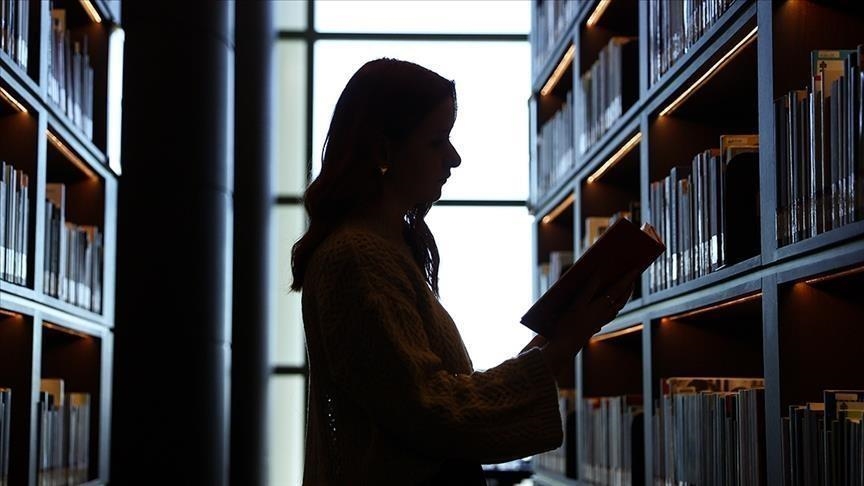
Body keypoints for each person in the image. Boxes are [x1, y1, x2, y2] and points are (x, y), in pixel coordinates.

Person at [291, 58, 637, 485]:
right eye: (437, 142)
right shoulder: (358, 258)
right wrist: (563, 344)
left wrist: (556, 338)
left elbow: (432, 399)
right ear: (384, 152)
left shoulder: (384, 251)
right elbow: (433, 412)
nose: (453, 158)